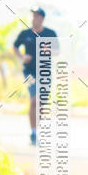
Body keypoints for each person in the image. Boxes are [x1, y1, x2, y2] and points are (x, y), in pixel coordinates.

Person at [13, 8, 58, 145]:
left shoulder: (50, 33)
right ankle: (33, 133)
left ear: (42, 18)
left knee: (41, 104)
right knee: (34, 100)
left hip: (45, 72)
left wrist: (48, 49)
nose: (34, 18)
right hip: (29, 72)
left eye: (37, 16)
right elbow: (15, 46)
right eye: (33, 16)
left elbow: (57, 51)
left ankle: (36, 131)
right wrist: (22, 57)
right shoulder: (25, 33)